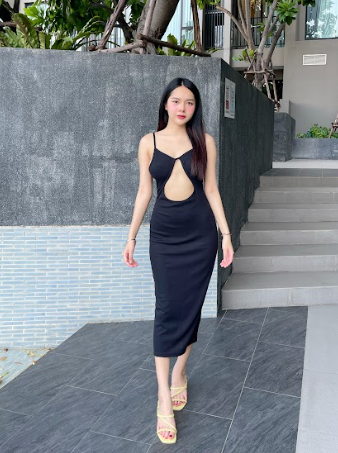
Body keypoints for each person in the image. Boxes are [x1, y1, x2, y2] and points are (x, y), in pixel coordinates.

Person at [123, 77, 234, 444]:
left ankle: (179, 374)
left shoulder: (205, 143)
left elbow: (212, 190)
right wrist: (131, 237)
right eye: (176, 101)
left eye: (189, 102)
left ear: (195, 107)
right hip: (165, 237)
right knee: (167, 309)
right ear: (165, 104)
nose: (182, 107)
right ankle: (163, 399)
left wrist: (226, 235)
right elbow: (144, 193)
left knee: (190, 308)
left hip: (201, 236)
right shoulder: (148, 143)